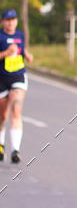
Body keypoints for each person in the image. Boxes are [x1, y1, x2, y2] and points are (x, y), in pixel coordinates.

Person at [0, 9, 33, 164]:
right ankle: (1, 145)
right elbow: (9, 52)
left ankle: (15, 150)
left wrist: (26, 54)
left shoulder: (20, 35)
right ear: (3, 22)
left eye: (13, 19)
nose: (11, 22)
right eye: (8, 20)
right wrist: (6, 52)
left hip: (18, 76)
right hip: (2, 78)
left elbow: (21, 49)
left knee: (15, 111)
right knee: (2, 116)